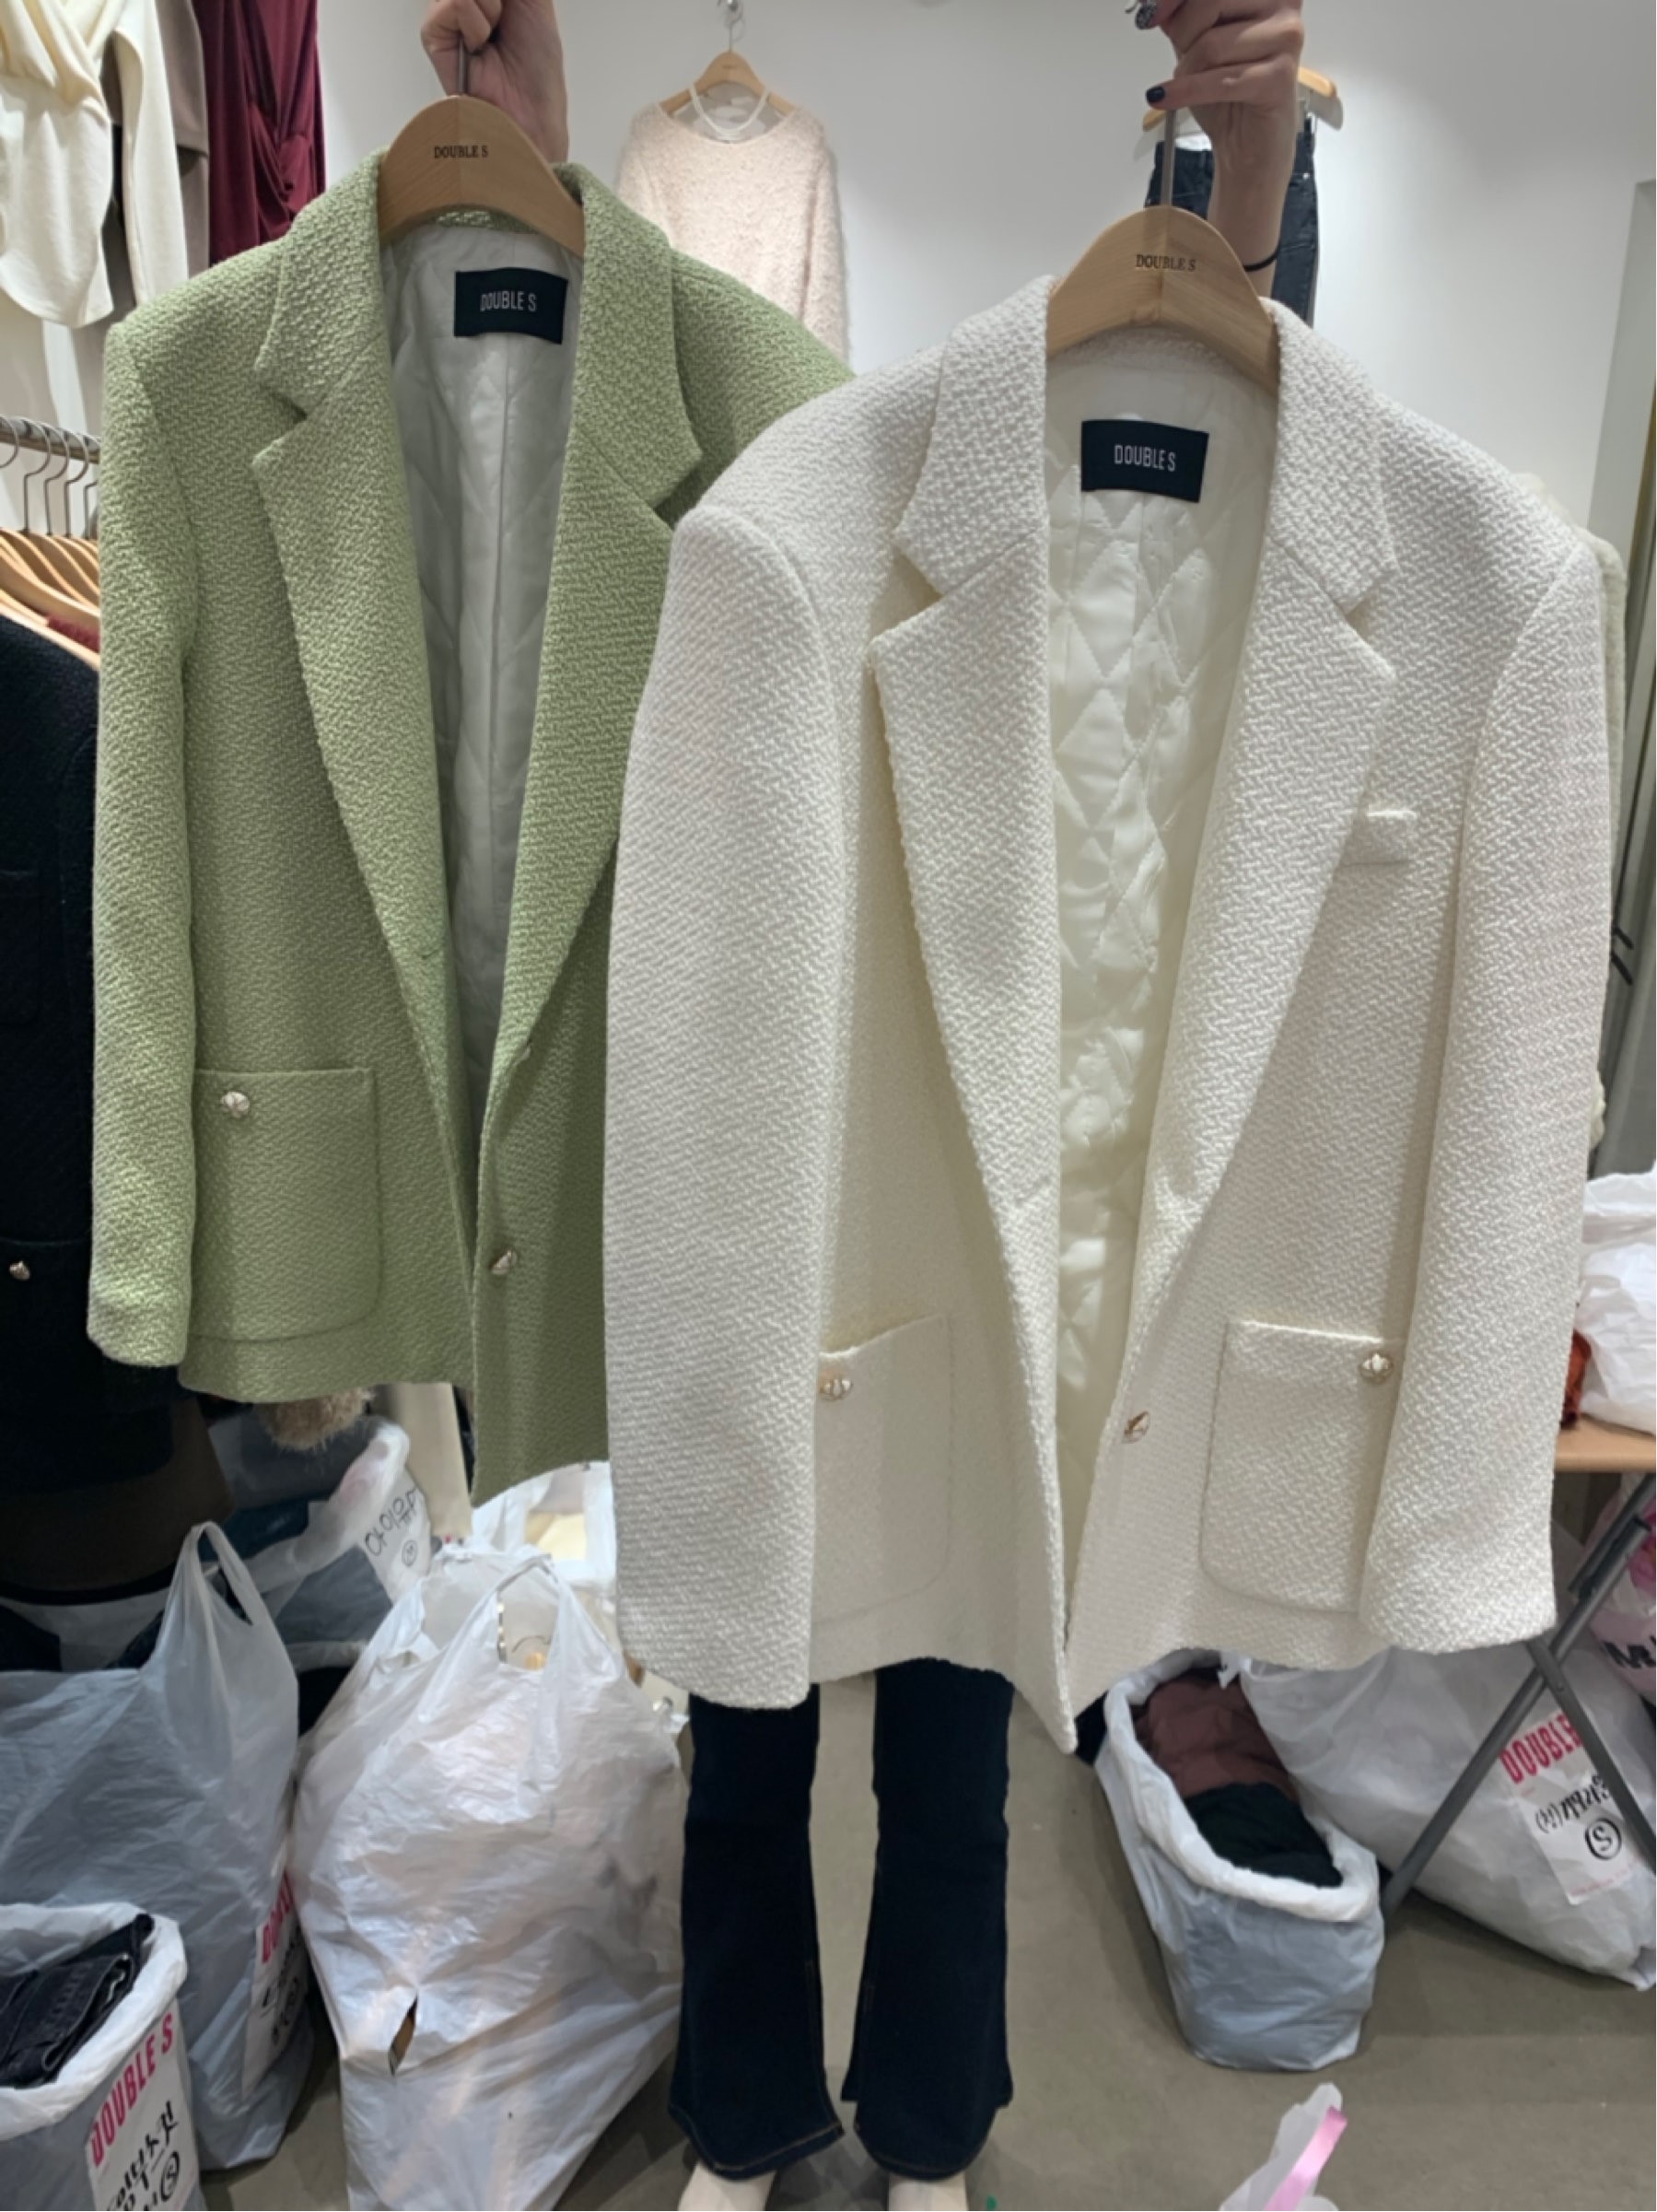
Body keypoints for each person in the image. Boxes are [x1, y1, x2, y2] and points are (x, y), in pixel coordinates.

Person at [417, 6, 1309, 2208]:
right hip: (796, 1149)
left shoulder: (1101, 535)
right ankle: (751, 2115)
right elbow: (637, 363)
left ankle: (921, 2125)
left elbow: (1250, 410)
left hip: (1005, 1192)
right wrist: (531, 148)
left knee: (950, 1713)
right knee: (746, 1687)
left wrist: (1250, 167)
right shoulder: (830, 504)